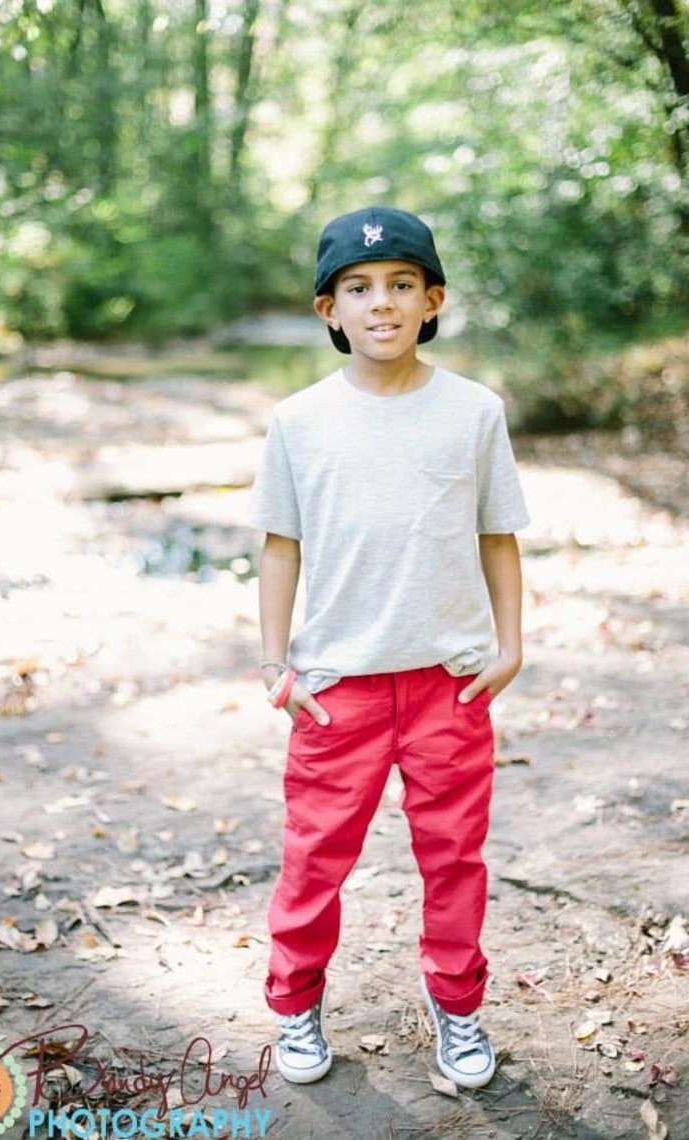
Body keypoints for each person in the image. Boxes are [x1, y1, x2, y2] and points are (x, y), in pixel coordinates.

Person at [248, 205, 529, 1091]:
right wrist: (273, 665)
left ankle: (458, 1006)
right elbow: (280, 546)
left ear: (432, 298)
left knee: (454, 858)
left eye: (401, 286)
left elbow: (497, 537)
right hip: (339, 687)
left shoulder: (474, 413)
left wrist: (510, 645)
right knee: (314, 857)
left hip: (450, 682)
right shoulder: (299, 421)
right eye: (359, 289)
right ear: (329, 310)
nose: (382, 304)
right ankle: (295, 1005)